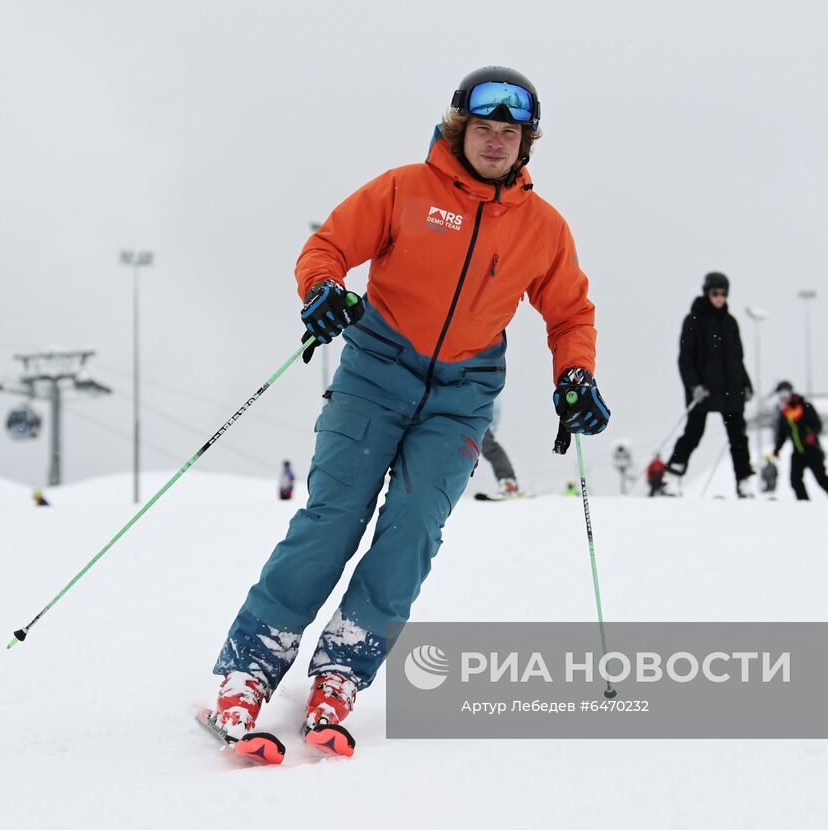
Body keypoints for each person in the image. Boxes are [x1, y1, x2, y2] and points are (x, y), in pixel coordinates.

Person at [208, 66, 606, 750]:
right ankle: (250, 666)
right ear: (461, 129)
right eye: (484, 129)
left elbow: (569, 312)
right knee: (333, 518)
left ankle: (342, 668)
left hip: (463, 395)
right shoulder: (405, 190)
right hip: (375, 373)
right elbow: (328, 246)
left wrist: (576, 374)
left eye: (509, 133)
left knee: (413, 529)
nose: (494, 143)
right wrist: (323, 287)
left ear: (525, 143)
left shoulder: (543, 228)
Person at [665, 272, 755, 498]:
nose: (719, 298)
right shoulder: (693, 320)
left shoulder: (730, 322)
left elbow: (737, 358)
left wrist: (746, 384)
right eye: (715, 293)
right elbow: (685, 359)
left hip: (731, 389)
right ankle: (672, 477)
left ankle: (744, 482)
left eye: (724, 294)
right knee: (694, 433)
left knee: (738, 437)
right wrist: (693, 385)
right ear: (707, 292)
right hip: (704, 389)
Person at [771, 380, 828, 501]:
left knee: (821, 478)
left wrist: (812, 434)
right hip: (797, 452)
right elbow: (781, 434)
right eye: (780, 395)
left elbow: (817, 424)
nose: (783, 397)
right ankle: (804, 503)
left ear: (790, 392)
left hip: (812, 449)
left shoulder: (805, 406)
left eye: (785, 394)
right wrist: (777, 449)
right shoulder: (784, 413)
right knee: (795, 480)